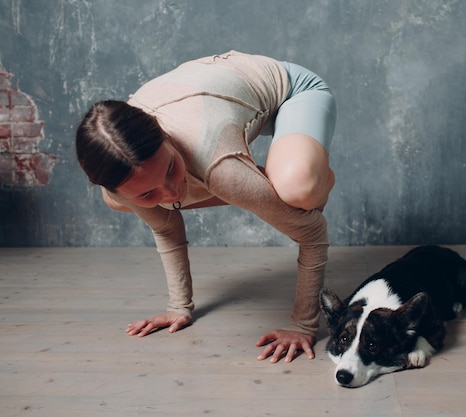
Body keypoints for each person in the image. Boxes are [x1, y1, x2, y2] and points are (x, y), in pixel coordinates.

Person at [75, 51, 336, 364]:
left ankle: (305, 179)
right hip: (217, 103)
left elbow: (312, 233)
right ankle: (258, 185)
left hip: (294, 90)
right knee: (122, 203)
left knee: (297, 188)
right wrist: (178, 307)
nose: (171, 192)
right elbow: (165, 225)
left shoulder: (214, 160)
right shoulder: (119, 188)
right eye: (146, 193)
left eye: (170, 167)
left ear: (165, 135)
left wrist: (303, 325)